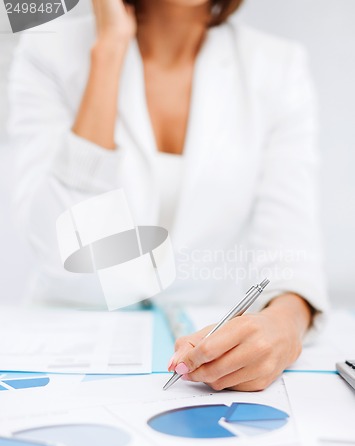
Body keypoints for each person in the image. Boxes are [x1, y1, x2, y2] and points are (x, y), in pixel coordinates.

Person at [8, 0, 327, 392]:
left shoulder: (278, 66)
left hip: (201, 347)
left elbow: (292, 253)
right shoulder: (48, 49)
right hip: (64, 343)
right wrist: (109, 49)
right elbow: (65, 258)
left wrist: (282, 325)